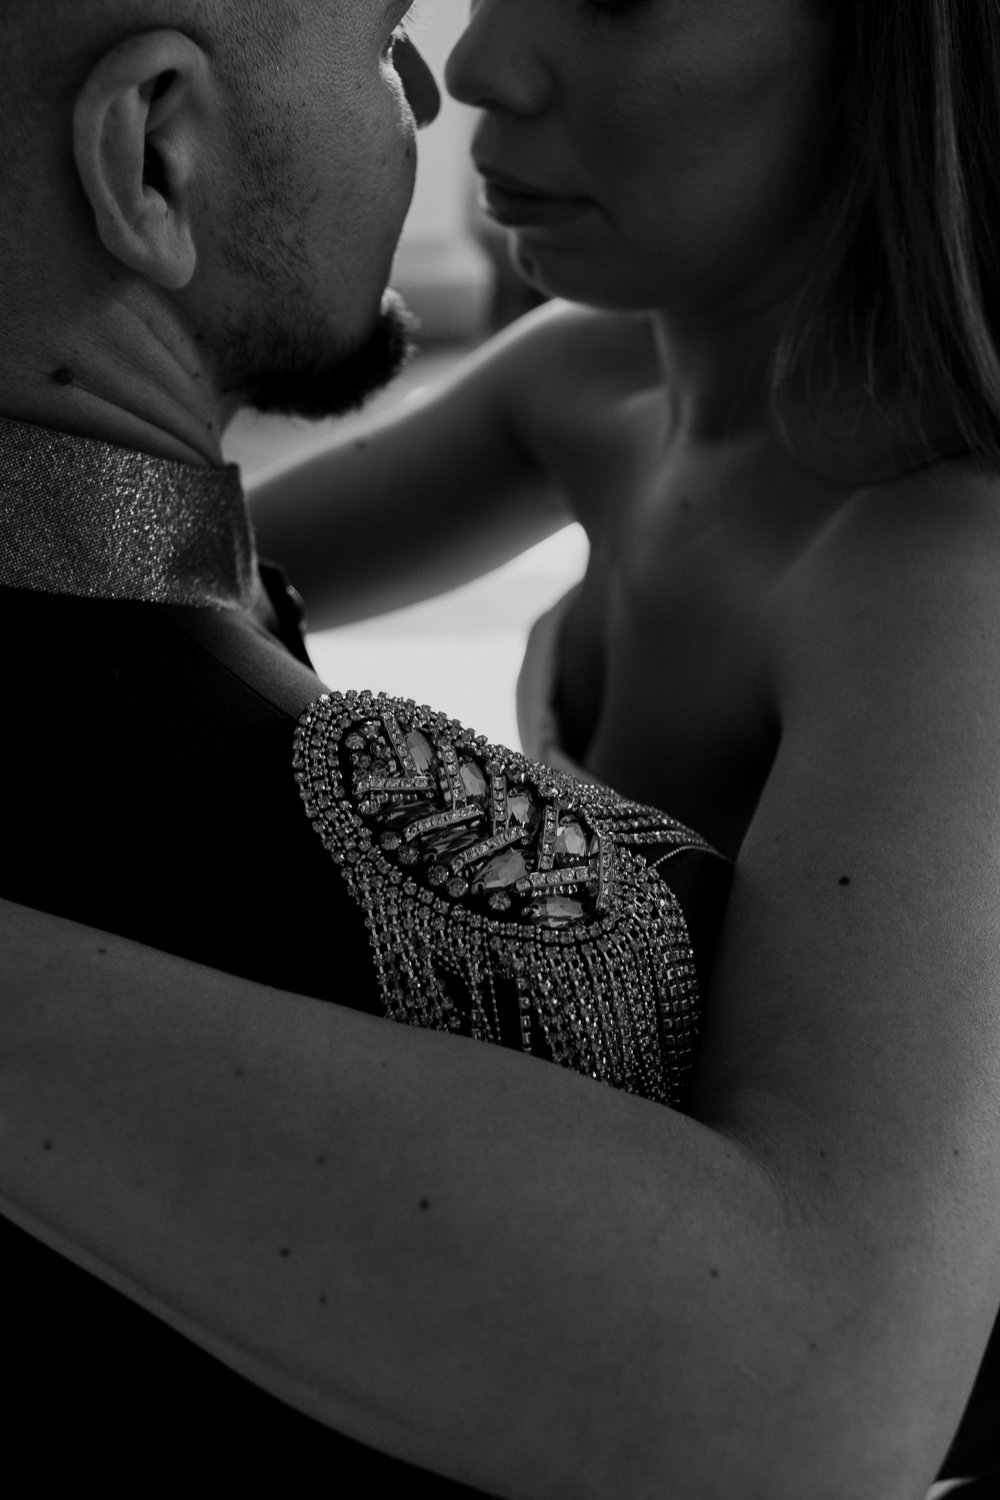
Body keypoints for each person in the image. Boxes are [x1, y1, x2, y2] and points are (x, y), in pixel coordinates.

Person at [0, 0, 997, 1495]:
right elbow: (157, 570)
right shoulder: (590, 387)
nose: (471, 67)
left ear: (896, 70)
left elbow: (827, 1392)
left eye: (614, 0)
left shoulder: (947, 571)